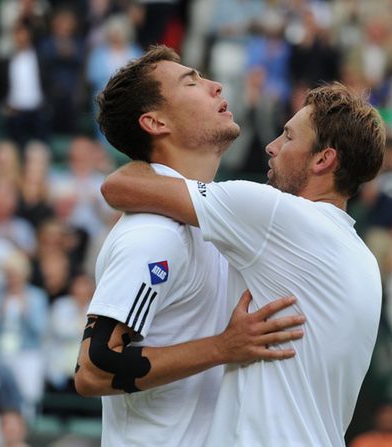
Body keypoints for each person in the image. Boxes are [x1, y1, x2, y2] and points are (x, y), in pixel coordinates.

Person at [101, 82, 386, 444]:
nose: (272, 147)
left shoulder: (276, 215)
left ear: (322, 159)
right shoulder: (364, 259)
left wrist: (222, 346)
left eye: (288, 137)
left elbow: (120, 186)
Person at [74, 45, 305, 447]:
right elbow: (93, 369)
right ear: (155, 122)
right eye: (191, 82)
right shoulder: (154, 234)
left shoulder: (213, 220)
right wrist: (223, 347)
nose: (216, 86)